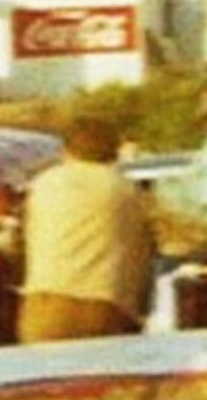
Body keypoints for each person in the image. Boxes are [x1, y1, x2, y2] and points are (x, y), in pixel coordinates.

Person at [19, 117, 154, 343]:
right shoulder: (127, 191)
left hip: (47, 303)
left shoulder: (44, 184)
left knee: (45, 375)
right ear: (114, 150)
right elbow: (142, 254)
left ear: (67, 148)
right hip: (107, 305)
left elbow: (25, 241)